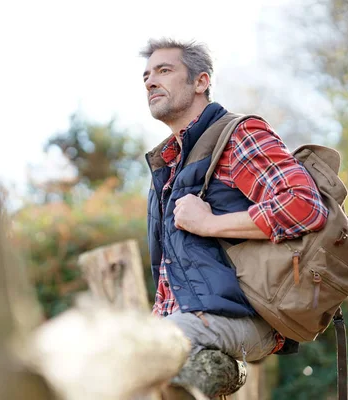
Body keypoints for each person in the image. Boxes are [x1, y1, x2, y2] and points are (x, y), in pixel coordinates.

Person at [140, 38, 329, 389]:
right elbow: (170, 279)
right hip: (184, 321)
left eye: (164, 70)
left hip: (251, 318)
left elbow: (304, 206)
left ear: (201, 81)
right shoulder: (166, 168)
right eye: (146, 76)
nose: (151, 81)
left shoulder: (237, 135)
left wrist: (210, 223)